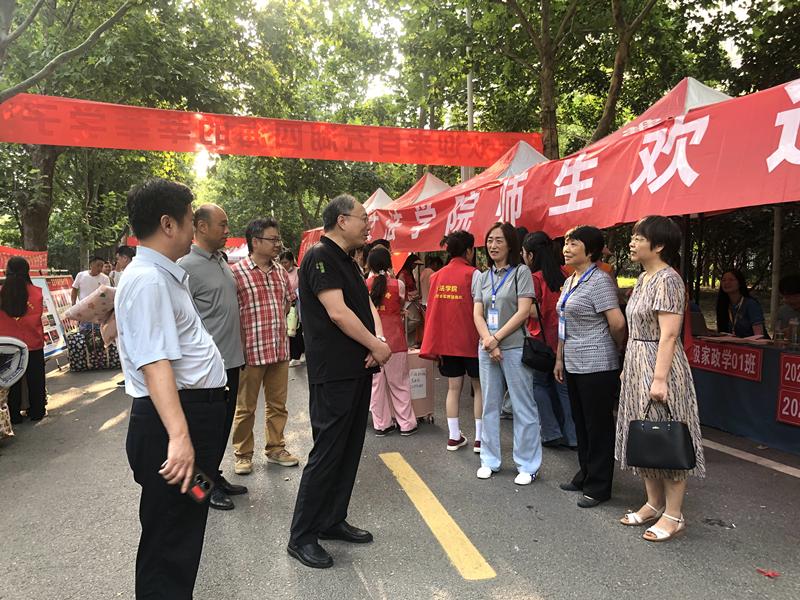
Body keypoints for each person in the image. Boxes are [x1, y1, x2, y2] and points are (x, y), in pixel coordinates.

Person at [116, 178, 227, 598]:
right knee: (169, 542)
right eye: (189, 219)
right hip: (175, 427)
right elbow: (154, 363)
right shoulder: (149, 280)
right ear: (168, 224)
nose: (193, 228)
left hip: (192, 420)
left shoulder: (161, 275)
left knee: (185, 521)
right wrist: (180, 438)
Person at [288, 194, 391, 569]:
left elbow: (365, 306)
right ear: (342, 220)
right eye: (364, 218)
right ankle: (302, 536)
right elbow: (338, 313)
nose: (369, 225)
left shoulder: (348, 259)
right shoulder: (320, 256)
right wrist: (375, 346)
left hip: (356, 368)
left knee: (348, 450)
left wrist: (377, 341)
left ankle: (332, 519)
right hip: (333, 373)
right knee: (328, 452)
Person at [616, 216, 705, 542]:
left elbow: (668, 335)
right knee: (644, 433)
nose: (632, 242)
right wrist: (628, 366)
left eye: (639, 238)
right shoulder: (643, 278)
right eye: (634, 237)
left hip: (660, 364)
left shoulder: (668, 280)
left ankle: (674, 514)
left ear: (659, 245)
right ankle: (653, 503)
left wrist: (659, 378)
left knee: (667, 435)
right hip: (637, 362)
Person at [178, 204, 248, 511]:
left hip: (231, 361)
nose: (227, 230)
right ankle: (200, 489)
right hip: (205, 369)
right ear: (202, 227)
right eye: (222, 224)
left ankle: (214, 477)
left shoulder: (222, 261)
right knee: (203, 433)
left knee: (221, 427)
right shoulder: (185, 267)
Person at [555, 225, 627, 508]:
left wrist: (614, 348)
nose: (567, 248)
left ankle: (599, 486)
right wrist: (559, 358)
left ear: (591, 250)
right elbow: (563, 323)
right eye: (566, 243)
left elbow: (617, 323)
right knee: (582, 423)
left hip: (597, 364)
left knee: (598, 426)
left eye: (574, 243)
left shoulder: (600, 281)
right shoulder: (571, 280)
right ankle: (585, 474)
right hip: (573, 361)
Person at [472, 222, 542, 485]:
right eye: (490, 240)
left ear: (510, 244)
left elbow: (523, 312)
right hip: (487, 348)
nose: (493, 245)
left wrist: (496, 338)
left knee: (523, 405)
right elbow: (477, 313)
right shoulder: (482, 277)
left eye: (499, 240)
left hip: (513, 347)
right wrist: (488, 341)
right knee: (489, 405)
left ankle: (528, 465)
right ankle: (489, 460)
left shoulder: (521, 272)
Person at [230, 218, 299, 475]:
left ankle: (276, 448)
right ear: (255, 242)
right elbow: (232, 313)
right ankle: (242, 454)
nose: (278, 244)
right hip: (250, 352)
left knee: (278, 405)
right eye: (273, 239)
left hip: (278, 349)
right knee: (245, 408)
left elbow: (288, 302)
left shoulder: (280, 271)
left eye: (278, 239)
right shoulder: (236, 273)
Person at [420, 230, 483, 453]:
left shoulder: (437, 277)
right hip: (472, 341)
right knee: (479, 388)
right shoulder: (475, 274)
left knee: (453, 388)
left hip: (447, 344)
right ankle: (480, 439)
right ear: (469, 250)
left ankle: (454, 437)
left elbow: (433, 313)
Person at [522, 231, 577, 450]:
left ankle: (551, 432)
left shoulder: (534, 278)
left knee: (539, 384)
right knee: (564, 389)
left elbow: (532, 311)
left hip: (541, 343)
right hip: (563, 341)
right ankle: (573, 436)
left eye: (524, 253)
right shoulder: (565, 274)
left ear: (531, 255)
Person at [366, 246, 417, 436]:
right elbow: (400, 304)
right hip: (395, 341)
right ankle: (406, 424)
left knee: (376, 387)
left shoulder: (364, 284)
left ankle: (382, 425)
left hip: (373, 342)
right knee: (400, 383)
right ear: (389, 263)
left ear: (370, 264)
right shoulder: (398, 285)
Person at [0, 257, 46, 423]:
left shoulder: (1, 292)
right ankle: (37, 411)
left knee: (11, 380)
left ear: (7, 271)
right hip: (32, 341)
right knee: (36, 379)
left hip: (7, 343)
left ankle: (13, 415)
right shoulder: (37, 293)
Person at [715, 269, 767, 337]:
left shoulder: (751, 304)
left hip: (752, 343)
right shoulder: (723, 304)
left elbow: (759, 336)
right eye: (723, 280)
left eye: (731, 280)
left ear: (740, 283)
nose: (726, 282)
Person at [280, 250, 305, 367]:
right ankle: (295, 354)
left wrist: (294, 295)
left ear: (291, 261)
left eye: (285, 262)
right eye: (282, 263)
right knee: (290, 331)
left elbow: (303, 288)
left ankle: (298, 354)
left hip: (297, 306)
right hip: (286, 305)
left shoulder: (299, 271)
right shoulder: (281, 273)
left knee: (296, 330)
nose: (284, 265)